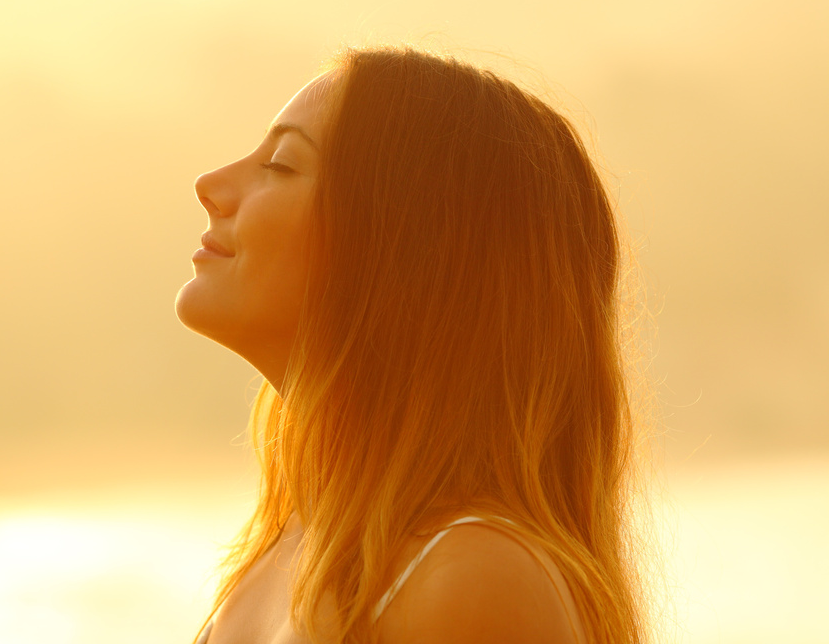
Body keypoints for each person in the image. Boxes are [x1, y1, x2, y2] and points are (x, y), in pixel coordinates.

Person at [174, 45, 648, 644]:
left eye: (284, 164)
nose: (209, 184)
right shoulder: (285, 545)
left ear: (409, 254)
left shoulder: (470, 578)